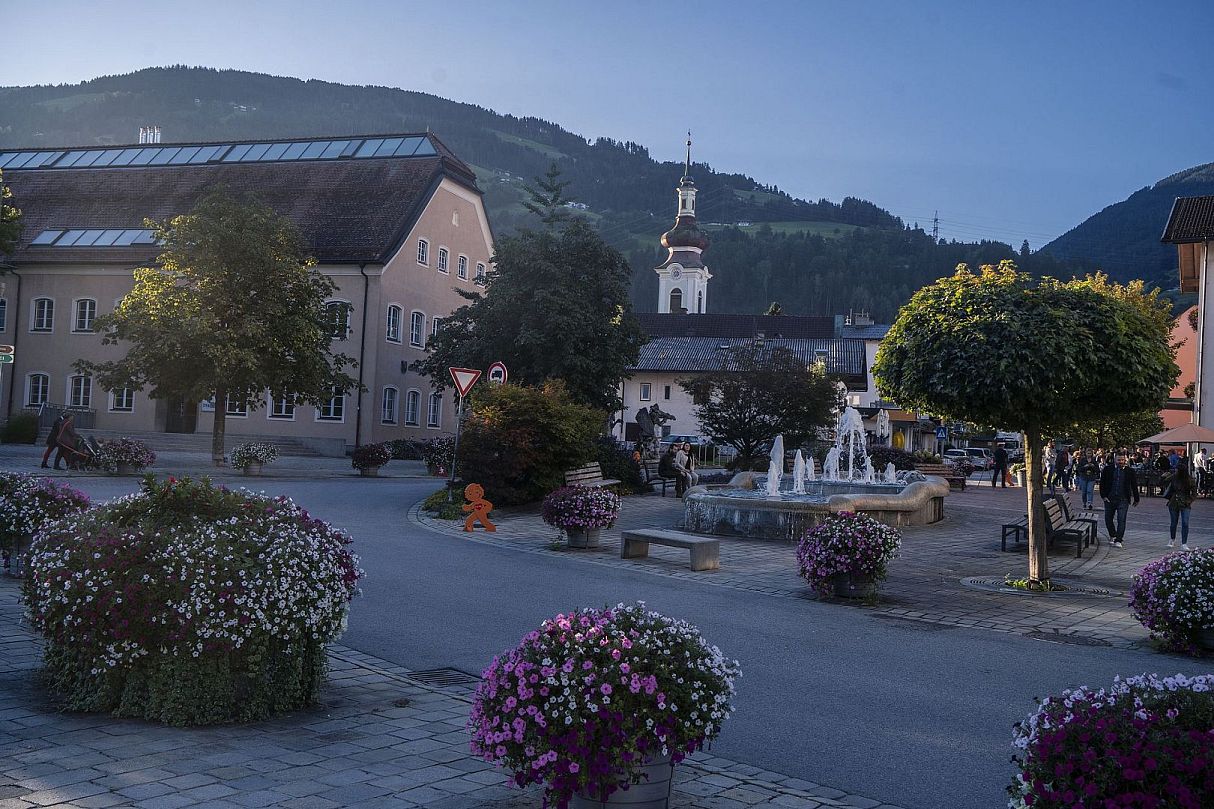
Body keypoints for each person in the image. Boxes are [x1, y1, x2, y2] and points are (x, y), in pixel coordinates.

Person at [1099, 453, 1140, 548]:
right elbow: (1102, 483)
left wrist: (1136, 498)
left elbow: (1134, 485)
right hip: (1110, 498)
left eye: (1122, 460)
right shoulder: (1108, 469)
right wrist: (1103, 496)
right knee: (1108, 519)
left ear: (1125, 460)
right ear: (1115, 460)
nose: (1121, 462)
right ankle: (1113, 535)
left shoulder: (1130, 471)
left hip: (1123, 499)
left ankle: (1119, 539)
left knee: (1121, 520)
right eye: (1119, 460)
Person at [1164, 463, 1197, 550]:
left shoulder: (1189, 479)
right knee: (1173, 522)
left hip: (1185, 502)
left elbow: (1194, 492)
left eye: (1177, 470)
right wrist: (1165, 476)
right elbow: (1164, 481)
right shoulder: (1174, 477)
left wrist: (1189, 500)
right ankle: (1172, 539)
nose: (1176, 471)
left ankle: (1184, 543)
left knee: (1185, 523)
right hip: (1174, 501)